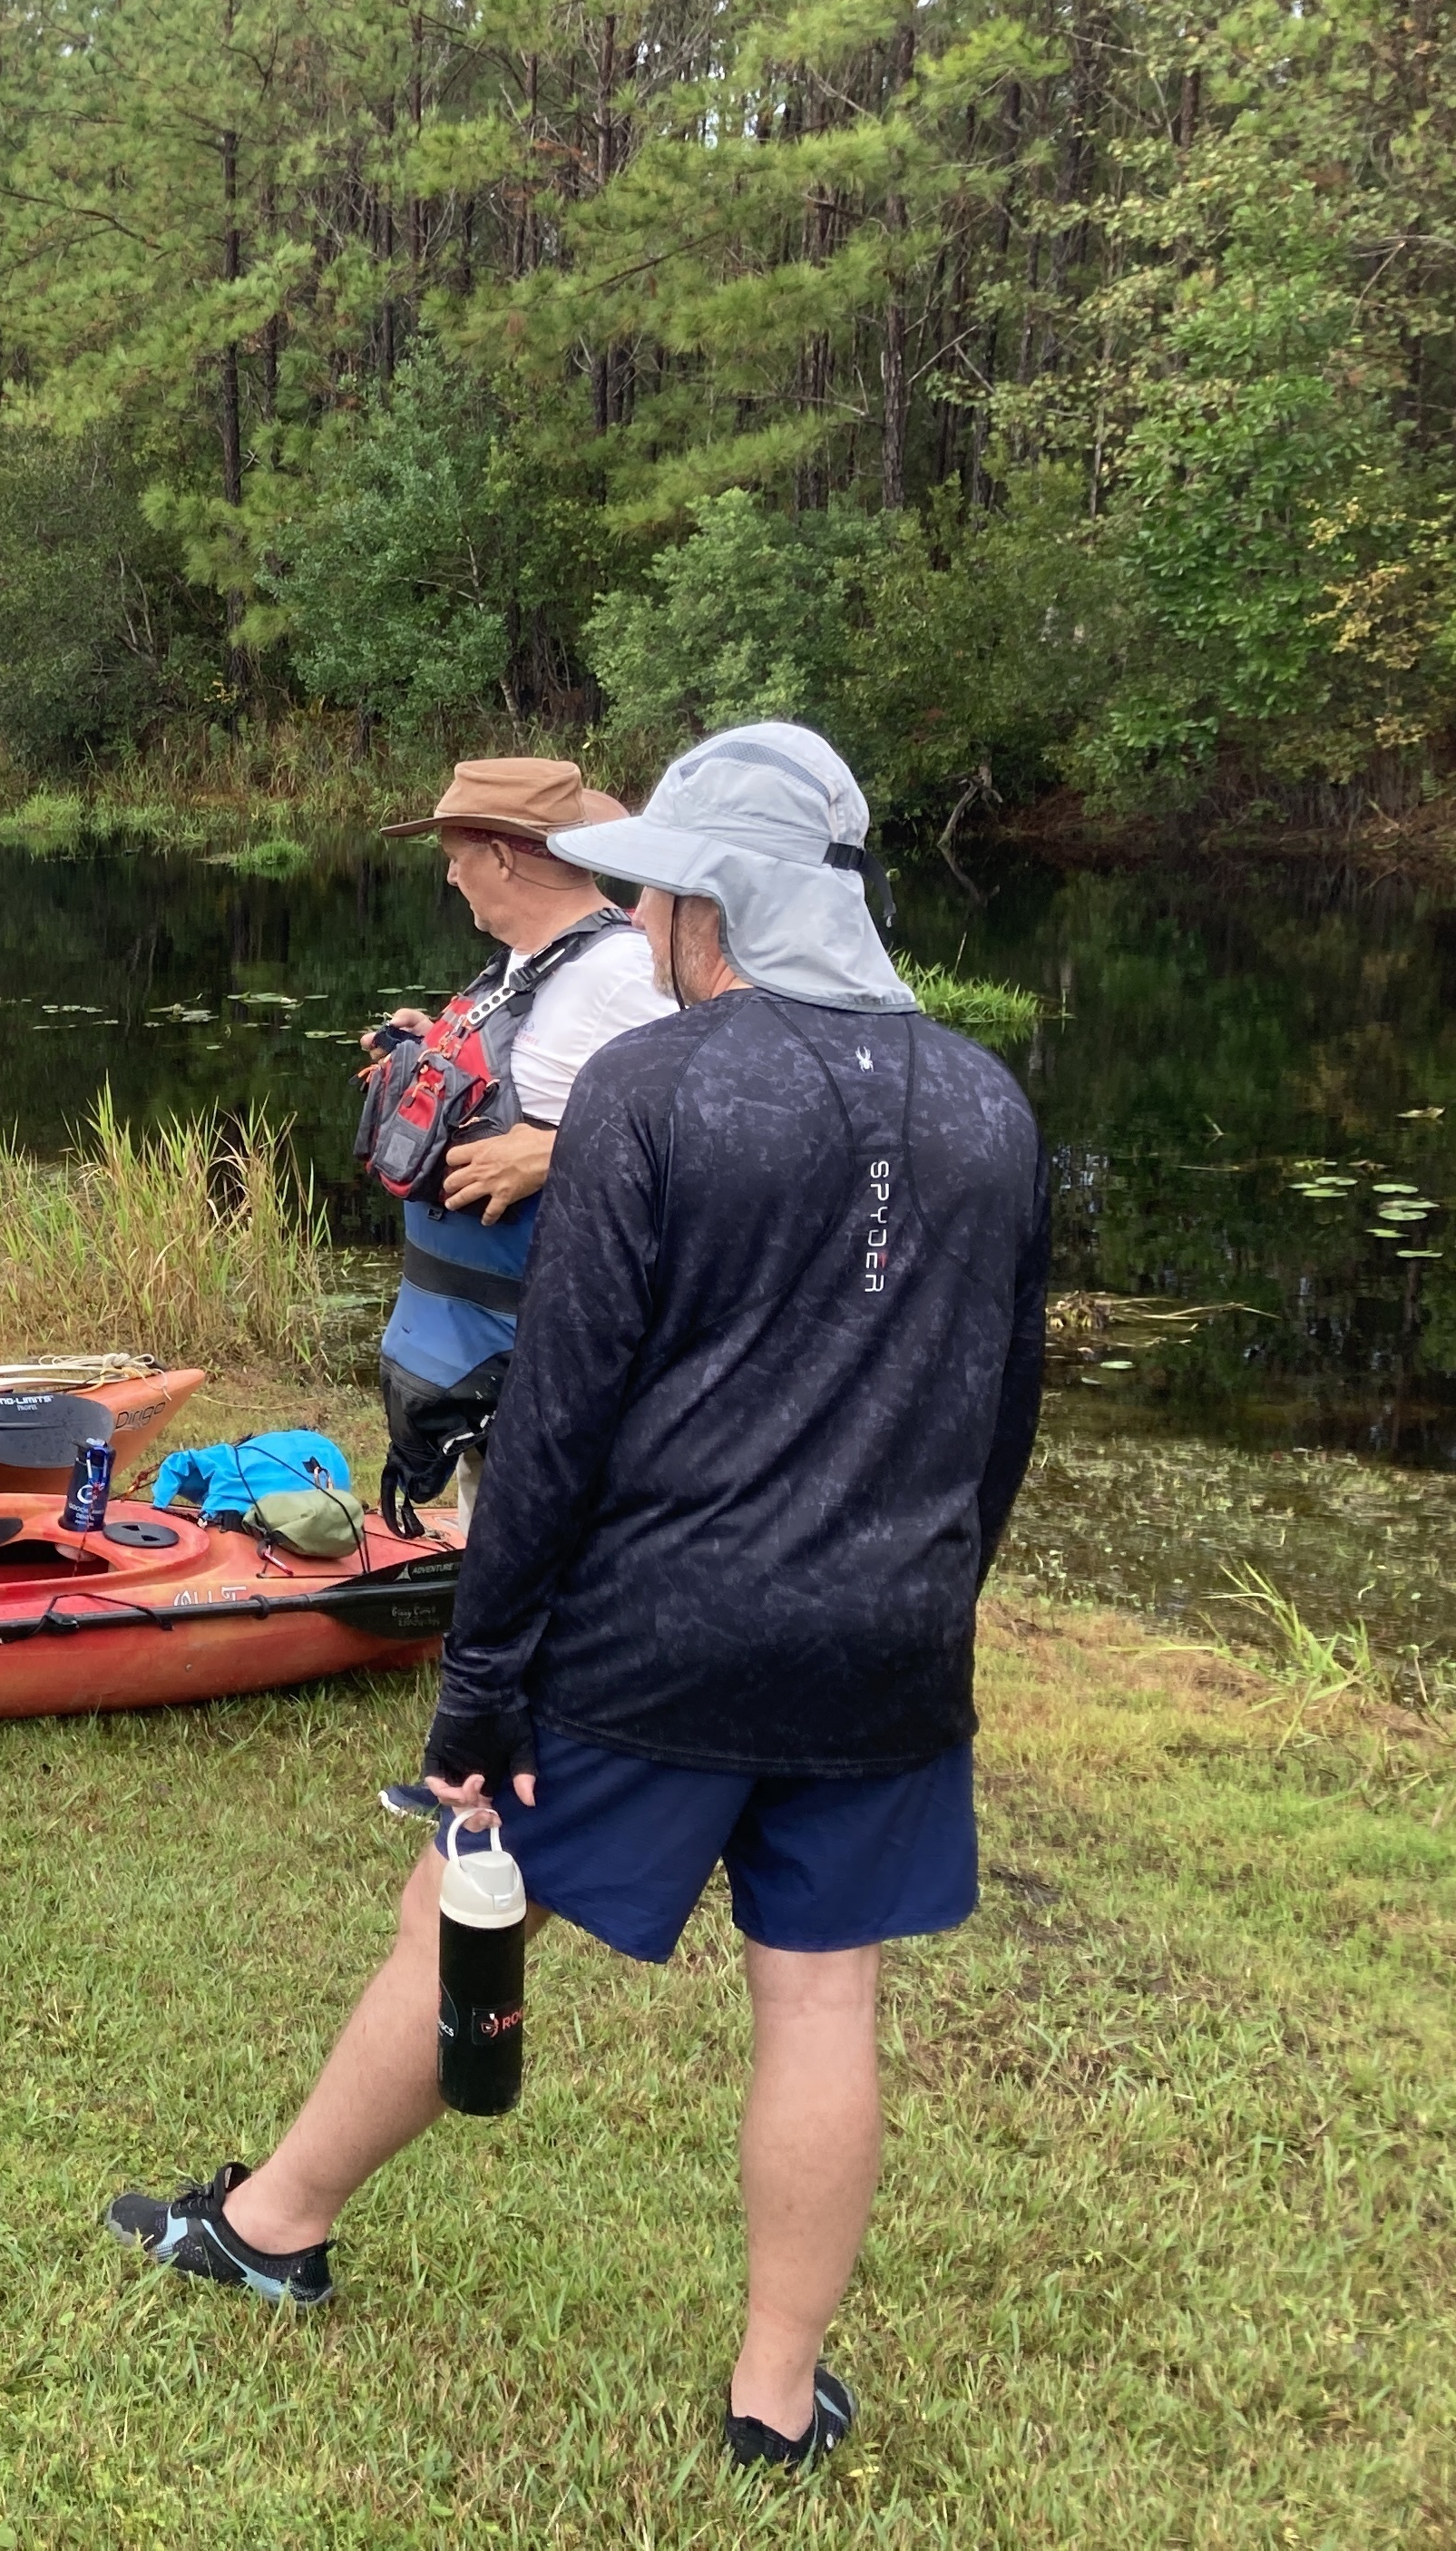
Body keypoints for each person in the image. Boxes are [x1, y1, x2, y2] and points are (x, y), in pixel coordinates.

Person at [108, 722, 1050, 2474]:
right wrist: (926, 1606)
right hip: (883, 1644)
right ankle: (776, 2398)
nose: (643, 911)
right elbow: (995, 1422)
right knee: (822, 1996)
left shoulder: (652, 1089)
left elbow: (555, 1423)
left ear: (719, 901)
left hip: (655, 1630)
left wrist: (478, 1688)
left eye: (659, 885)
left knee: (448, 1914)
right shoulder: (990, 1104)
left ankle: (276, 2219)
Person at [357, 758, 672, 1525]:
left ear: (502, 855)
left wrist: (559, 1152)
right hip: (483, 1346)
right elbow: (533, 1082)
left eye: (457, 857)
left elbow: (716, 1130)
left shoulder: (624, 973)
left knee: (551, 1551)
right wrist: (429, 1057)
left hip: (555, 1361)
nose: (453, 877)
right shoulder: (521, 967)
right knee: (491, 1537)